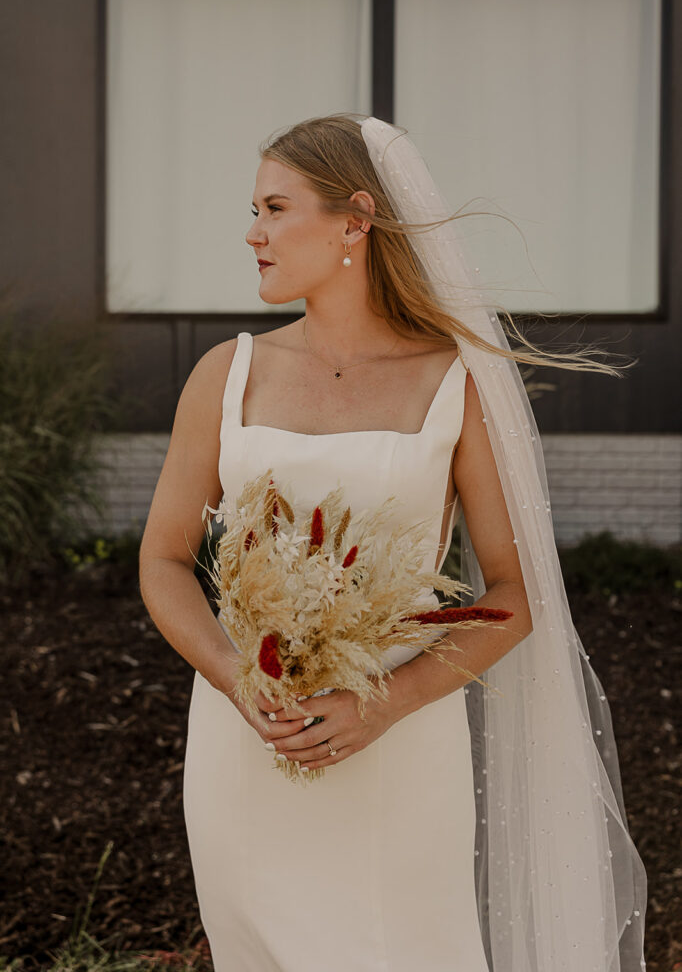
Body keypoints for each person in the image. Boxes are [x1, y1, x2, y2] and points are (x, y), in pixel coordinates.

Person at [139, 114, 647, 971]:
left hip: (401, 744)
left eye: (274, 207)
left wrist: (385, 704)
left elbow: (517, 593)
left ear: (355, 219)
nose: (251, 232)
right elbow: (161, 562)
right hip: (245, 744)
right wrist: (236, 678)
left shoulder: (456, 380)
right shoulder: (225, 374)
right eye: (252, 210)